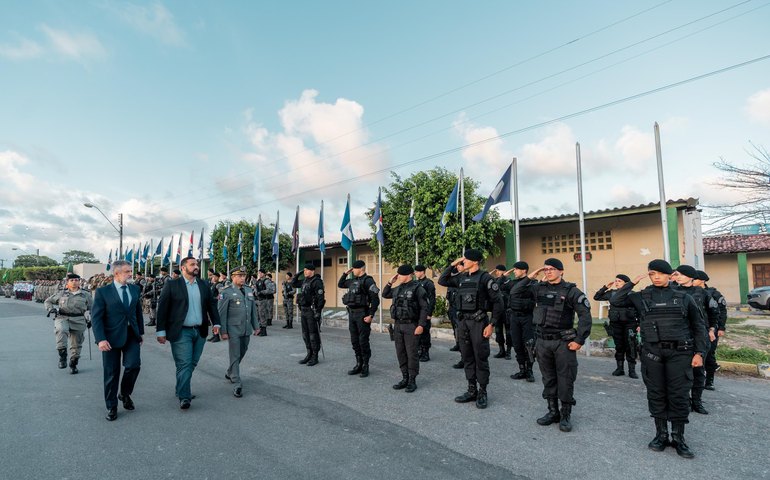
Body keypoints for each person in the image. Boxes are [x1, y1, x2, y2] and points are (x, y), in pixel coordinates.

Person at [611, 259, 709, 458]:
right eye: (652, 274)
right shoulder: (642, 296)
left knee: (679, 395)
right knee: (656, 393)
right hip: (652, 353)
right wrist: (632, 283)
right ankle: (661, 435)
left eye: (660, 274)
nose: (656, 277)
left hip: (680, 353)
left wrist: (700, 353)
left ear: (669, 275)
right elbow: (616, 300)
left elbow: (699, 327)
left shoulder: (683, 298)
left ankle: (678, 438)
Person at [527, 258, 592, 432]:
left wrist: (579, 340)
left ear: (561, 271)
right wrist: (535, 273)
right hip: (542, 341)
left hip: (563, 343)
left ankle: (565, 415)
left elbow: (585, 316)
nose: (548, 272)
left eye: (552, 269)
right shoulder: (538, 288)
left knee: (565, 378)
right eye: (546, 269)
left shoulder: (571, 291)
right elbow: (516, 290)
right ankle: (552, 411)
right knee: (548, 378)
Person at [438, 248, 504, 409]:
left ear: (475, 261)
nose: (463, 262)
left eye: (465, 260)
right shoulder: (461, 277)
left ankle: (482, 392)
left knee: (480, 357)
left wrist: (492, 324)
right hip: (463, 323)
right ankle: (471, 389)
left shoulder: (485, 278)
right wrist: (453, 264)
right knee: (467, 356)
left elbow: (498, 302)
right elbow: (442, 280)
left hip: (479, 322)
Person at [155, 257, 221, 409]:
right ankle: (185, 396)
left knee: (192, 362)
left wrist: (216, 322)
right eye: (192, 264)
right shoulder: (172, 285)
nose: (196, 267)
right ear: (183, 268)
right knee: (184, 363)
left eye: (197, 264)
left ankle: (180, 388)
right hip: (181, 331)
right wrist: (161, 331)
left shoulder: (204, 284)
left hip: (200, 330)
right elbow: (163, 309)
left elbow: (211, 304)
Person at [90, 260, 144, 421]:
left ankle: (124, 394)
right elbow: (96, 318)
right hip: (110, 338)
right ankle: (111, 406)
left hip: (131, 335)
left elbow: (137, 312)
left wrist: (140, 332)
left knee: (134, 366)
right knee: (111, 373)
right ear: (116, 273)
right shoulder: (103, 292)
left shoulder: (135, 289)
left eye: (130, 271)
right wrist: (100, 339)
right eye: (127, 271)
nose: (130, 274)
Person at [671, 264, 718, 415]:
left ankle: (696, 402)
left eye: (680, 274)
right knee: (680, 372)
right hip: (679, 335)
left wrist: (711, 329)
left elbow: (713, 312)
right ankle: (683, 402)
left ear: (690, 276)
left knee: (698, 370)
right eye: (675, 275)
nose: (676, 277)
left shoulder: (702, 292)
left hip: (698, 334)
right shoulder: (672, 291)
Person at [383, 265, 429, 392]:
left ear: (408, 275)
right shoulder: (397, 288)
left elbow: (424, 308)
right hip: (398, 325)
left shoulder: (418, 289)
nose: (398, 277)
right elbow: (385, 294)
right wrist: (389, 282)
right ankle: (404, 378)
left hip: (411, 325)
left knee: (412, 354)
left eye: (400, 275)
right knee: (401, 353)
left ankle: (412, 380)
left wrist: (421, 325)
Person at [218, 267, 259, 398]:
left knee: (243, 351)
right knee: (235, 354)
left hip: (246, 328)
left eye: (244, 275)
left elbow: (253, 310)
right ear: (233, 277)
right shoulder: (226, 292)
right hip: (233, 329)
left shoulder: (248, 290)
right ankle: (237, 382)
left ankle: (230, 371)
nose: (243, 278)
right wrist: (223, 331)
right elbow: (222, 313)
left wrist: (256, 326)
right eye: (240, 275)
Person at [338, 260, 380, 378]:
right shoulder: (352, 281)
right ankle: (358, 364)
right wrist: (345, 273)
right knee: (354, 341)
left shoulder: (368, 281)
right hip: (352, 314)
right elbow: (340, 284)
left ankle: (365, 365)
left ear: (361, 269)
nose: (353, 271)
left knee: (363, 341)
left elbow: (375, 300)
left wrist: (371, 315)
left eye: (354, 269)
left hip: (363, 314)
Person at [44, 273, 93, 374]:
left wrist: (91, 319)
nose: (74, 282)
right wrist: (51, 309)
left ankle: (73, 363)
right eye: (72, 280)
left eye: (76, 280)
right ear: (67, 282)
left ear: (79, 281)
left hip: (79, 319)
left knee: (77, 344)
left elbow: (93, 308)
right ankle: (62, 355)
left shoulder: (86, 294)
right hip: (63, 317)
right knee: (61, 330)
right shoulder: (61, 293)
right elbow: (48, 301)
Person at [594, 274, 639, 378]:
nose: (617, 282)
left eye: (619, 281)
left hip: (630, 324)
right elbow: (597, 297)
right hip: (616, 324)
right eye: (616, 281)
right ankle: (620, 369)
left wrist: (639, 324)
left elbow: (639, 309)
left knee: (631, 345)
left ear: (626, 283)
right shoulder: (611, 293)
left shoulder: (632, 294)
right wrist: (605, 287)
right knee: (619, 346)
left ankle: (632, 370)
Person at [695, 270, 727, 391]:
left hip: (711, 328)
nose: (693, 280)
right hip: (698, 328)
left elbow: (722, 311)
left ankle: (710, 380)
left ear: (702, 280)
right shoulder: (692, 292)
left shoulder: (713, 293)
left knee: (709, 354)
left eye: (695, 279)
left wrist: (721, 327)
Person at [504, 261, 536, 382]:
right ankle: (522, 369)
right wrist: (506, 274)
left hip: (527, 317)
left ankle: (529, 371)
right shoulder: (512, 283)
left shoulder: (533, 284)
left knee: (528, 345)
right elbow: (499, 283)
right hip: (514, 317)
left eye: (516, 269)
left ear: (524, 270)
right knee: (517, 344)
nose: (515, 271)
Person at [291, 263, 326, 366]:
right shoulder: (305, 281)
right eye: (304, 270)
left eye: (307, 270)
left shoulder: (317, 282)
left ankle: (315, 356)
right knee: (305, 334)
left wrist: (318, 312)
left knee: (313, 335)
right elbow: (294, 284)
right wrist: (299, 273)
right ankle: (309, 354)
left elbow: (320, 298)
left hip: (312, 311)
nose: (305, 272)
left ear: (312, 271)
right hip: (304, 310)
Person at [414, 265, 436, 362]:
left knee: (425, 333)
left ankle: (425, 352)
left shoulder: (428, 283)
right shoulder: (415, 283)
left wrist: (429, 313)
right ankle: (419, 351)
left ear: (422, 272)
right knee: (417, 333)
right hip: (416, 312)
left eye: (417, 272)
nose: (415, 273)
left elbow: (432, 300)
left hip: (425, 312)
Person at [491, 264, 513, 360]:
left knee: (508, 332)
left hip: (507, 310)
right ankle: (501, 350)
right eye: (496, 271)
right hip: (497, 310)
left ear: (504, 272)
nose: (496, 272)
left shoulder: (510, 282)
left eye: (498, 271)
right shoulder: (495, 281)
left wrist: (503, 277)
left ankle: (508, 352)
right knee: (498, 331)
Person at [255, 269, 275, 334]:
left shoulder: (266, 281)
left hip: (264, 300)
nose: (259, 274)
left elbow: (271, 290)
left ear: (264, 274)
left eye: (260, 273)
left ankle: (264, 330)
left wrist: (262, 292)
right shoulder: (258, 281)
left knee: (263, 315)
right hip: (258, 300)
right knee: (258, 315)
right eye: (259, 273)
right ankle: (260, 329)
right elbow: (256, 289)